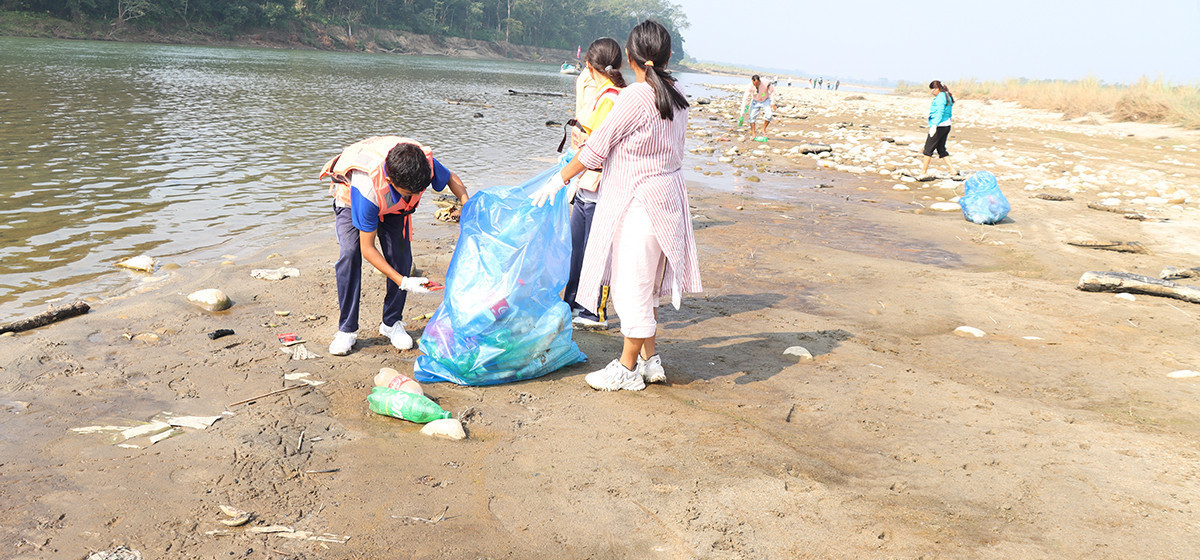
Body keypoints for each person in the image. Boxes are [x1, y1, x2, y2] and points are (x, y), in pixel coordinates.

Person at [531, 19, 702, 391]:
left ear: (629, 56)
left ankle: (626, 369)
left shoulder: (636, 98)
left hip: (640, 202)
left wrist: (557, 180)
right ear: (669, 56)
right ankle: (650, 360)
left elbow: (595, 150)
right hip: (668, 199)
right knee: (648, 283)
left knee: (632, 287)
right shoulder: (677, 95)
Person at [319, 136, 470, 356]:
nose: (416, 196)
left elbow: (451, 178)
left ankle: (391, 323)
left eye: (419, 191)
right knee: (350, 255)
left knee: (401, 257)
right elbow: (367, 249)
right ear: (390, 180)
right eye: (411, 193)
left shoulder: (420, 164)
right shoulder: (366, 190)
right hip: (352, 201)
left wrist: (467, 205)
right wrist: (404, 281)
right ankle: (346, 330)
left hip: (395, 207)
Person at [562, 37, 626, 329]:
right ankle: (571, 303)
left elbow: (597, 145)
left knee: (596, 252)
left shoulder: (612, 97)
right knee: (577, 249)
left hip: (602, 185)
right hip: (586, 185)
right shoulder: (600, 94)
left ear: (588, 65)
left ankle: (593, 311)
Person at [918, 80, 961, 178]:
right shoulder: (947, 95)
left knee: (928, 149)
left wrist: (934, 125)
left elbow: (940, 111)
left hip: (939, 126)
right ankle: (952, 170)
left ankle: (923, 172)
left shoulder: (941, 96)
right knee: (941, 149)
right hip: (946, 125)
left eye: (932, 91)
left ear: (937, 89)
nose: (932, 93)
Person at [740, 75, 775, 142]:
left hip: (765, 100)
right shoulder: (750, 86)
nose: (755, 86)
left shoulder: (766, 82)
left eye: (757, 84)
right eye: (754, 84)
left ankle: (763, 129)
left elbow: (772, 92)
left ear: (759, 81)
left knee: (769, 115)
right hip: (755, 101)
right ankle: (753, 134)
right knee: (752, 118)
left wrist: (773, 102)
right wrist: (742, 110)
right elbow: (745, 98)